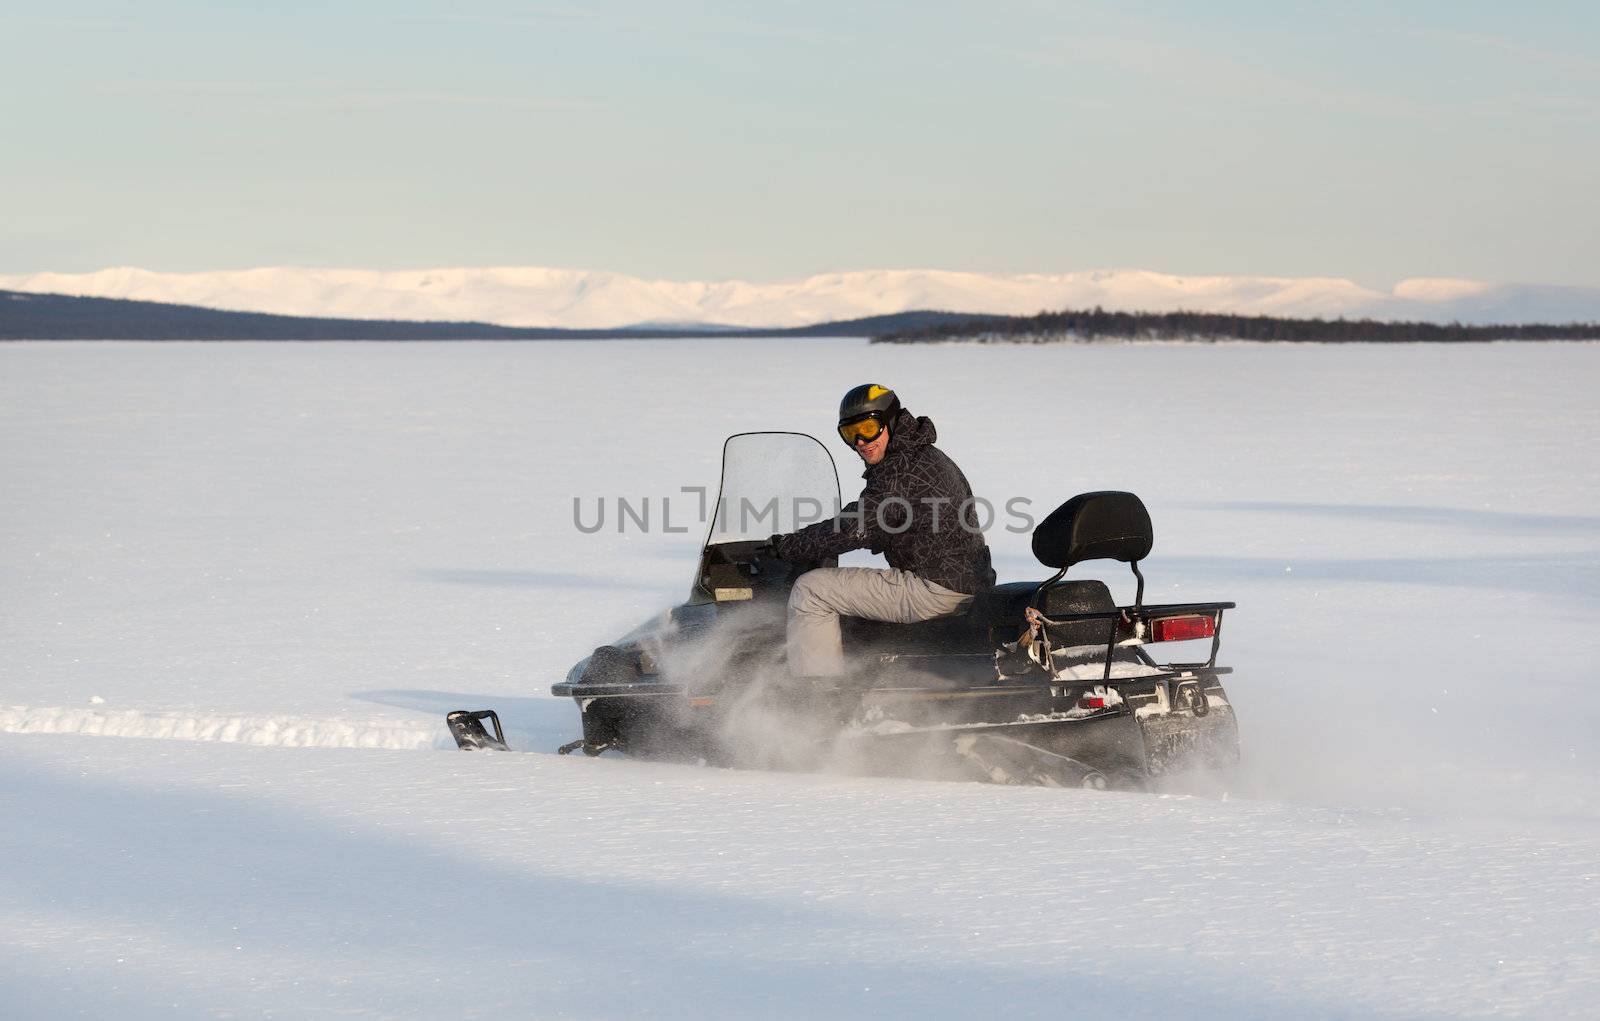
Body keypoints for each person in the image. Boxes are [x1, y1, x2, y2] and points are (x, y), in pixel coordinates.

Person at [765, 384, 995, 680]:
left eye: (869, 428)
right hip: (962, 581)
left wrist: (788, 547)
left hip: (934, 588)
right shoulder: (921, 454)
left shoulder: (900, 467)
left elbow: (857, 527)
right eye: (850, 433)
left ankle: (817, 700)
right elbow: (884, 520)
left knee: (811, 591)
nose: (861, 441)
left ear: (891, 421)